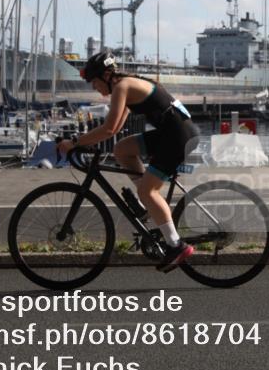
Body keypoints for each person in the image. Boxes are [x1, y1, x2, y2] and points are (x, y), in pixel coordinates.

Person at [58, 53, 199, 271]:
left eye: (94, 82)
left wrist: (75, 142)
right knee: (122, 150)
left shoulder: (123, 86)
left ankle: (176, 245)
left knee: (148, 191)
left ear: (106, 75)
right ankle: (146, 207)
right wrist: (88, 141)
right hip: (172, 133)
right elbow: (115, 126)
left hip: (178, 137)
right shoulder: (124, 86)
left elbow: (109, 129)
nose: (94, 87)